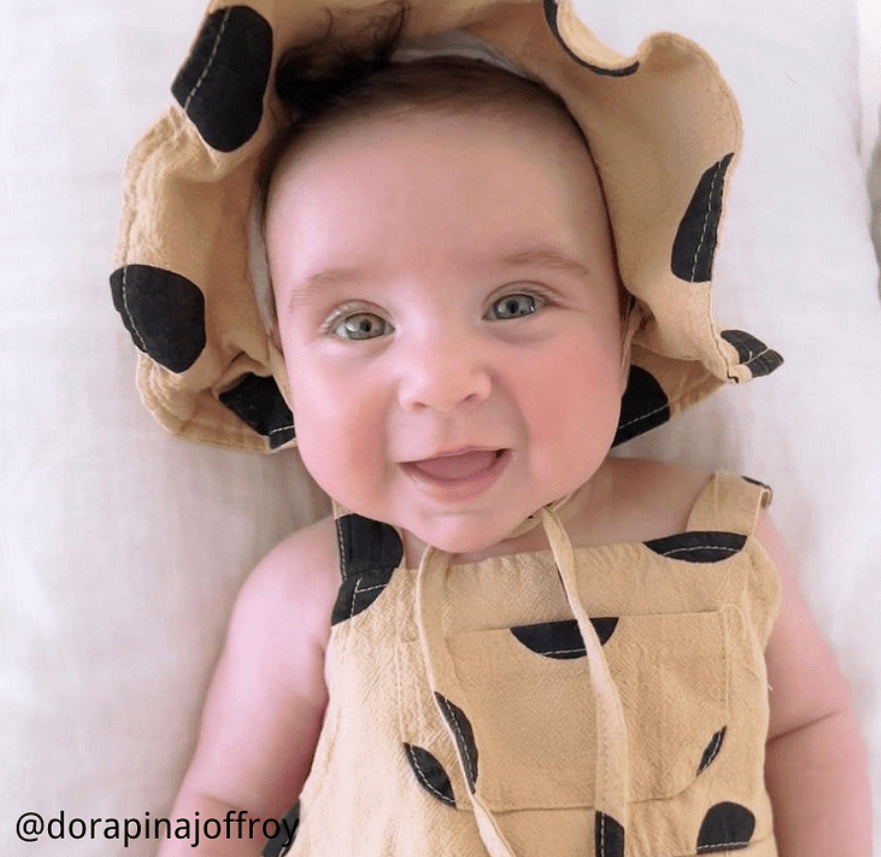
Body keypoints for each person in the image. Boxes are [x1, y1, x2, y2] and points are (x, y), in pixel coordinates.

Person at [111, 2, 871, 855]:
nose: (439, 383)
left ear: (624, 330)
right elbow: (225, 801)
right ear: (284, 373)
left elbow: (805, 726)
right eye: (360, 324)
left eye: (513, 304)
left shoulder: (723, 538)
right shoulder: (312, 593)